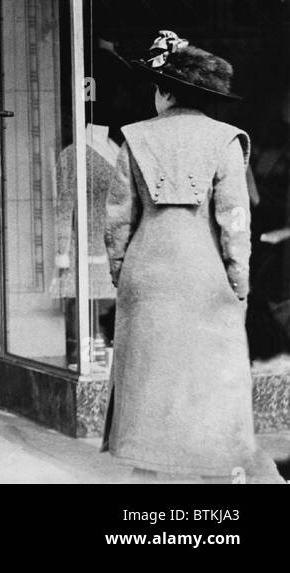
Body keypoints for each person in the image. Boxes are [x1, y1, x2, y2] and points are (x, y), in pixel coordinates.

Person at [103, 30, 280, 482]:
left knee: (149, 384)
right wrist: (238, 283)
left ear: (164, 92)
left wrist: (120, 274)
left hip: (147, 279)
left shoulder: (133, 139)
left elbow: (118, 221)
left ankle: (148, 474)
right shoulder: (226, 141)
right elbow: (235, 223)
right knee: (209, 386)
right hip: (206, 281)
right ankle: (213, 473)